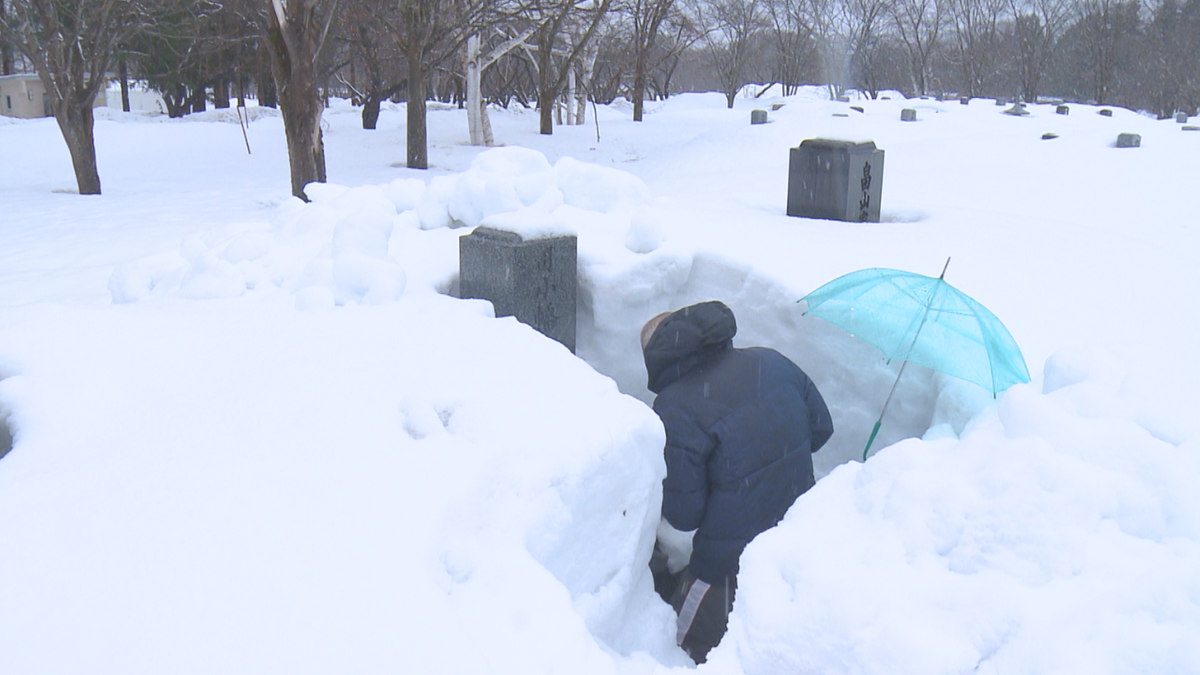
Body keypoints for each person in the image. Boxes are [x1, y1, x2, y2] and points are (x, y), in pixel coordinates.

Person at [641, 301, 833, 663]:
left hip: (725, 561)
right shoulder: (770, 360)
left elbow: (684, 514)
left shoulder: (674, 405)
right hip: (795, 530)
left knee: (673, 647)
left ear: (657, 356)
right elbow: (821, 429)